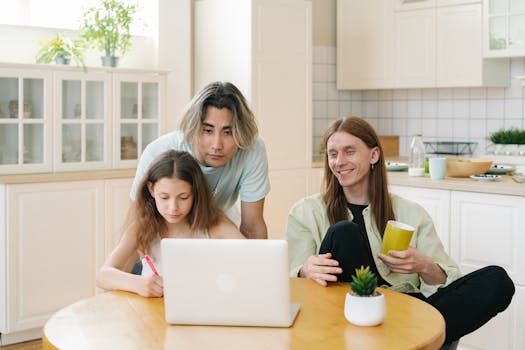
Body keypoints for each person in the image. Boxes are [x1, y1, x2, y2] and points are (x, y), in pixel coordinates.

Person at [285, 116, 514, 345]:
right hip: (347, 312)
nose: (339, 161)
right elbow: (291, 286)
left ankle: (401, 339)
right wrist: (304, 270)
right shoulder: (306, 213)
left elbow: (447, 282)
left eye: (349, 151)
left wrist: (424, 266)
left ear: (373, 155)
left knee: (497, 280)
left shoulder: (411, 213)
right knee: (343, 232)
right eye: (333, 154)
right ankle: (408, 341)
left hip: (408, 312)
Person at [130, 81, 270, 239]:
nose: (217, 145)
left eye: (228, 132)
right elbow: (136, 223)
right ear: (193, 127)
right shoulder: (158, 152)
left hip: (217, 228)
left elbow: (252, 226)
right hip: (162, 233)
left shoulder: (252, 150)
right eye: (207, 130)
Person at [98, 150, 244, 297]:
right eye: (164, 197)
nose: (173, 207)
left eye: (183, 197)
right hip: (151, 313)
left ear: (195, 193)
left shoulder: (214, 224)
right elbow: (103, 276)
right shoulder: (142, 226)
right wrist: (138, 284)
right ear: (151, 189)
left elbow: (252, 260)